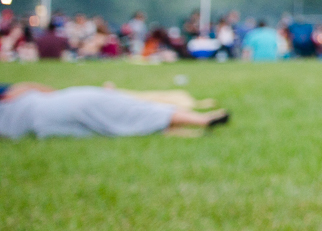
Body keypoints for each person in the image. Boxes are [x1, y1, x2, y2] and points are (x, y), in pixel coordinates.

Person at [0, 82, 229, 139]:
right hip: (59, 104)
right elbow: (23, 88)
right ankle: (201, 120)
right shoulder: (12, 96)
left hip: (43, 124)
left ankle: (197, 121)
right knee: (133, 112)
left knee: (117, 125)